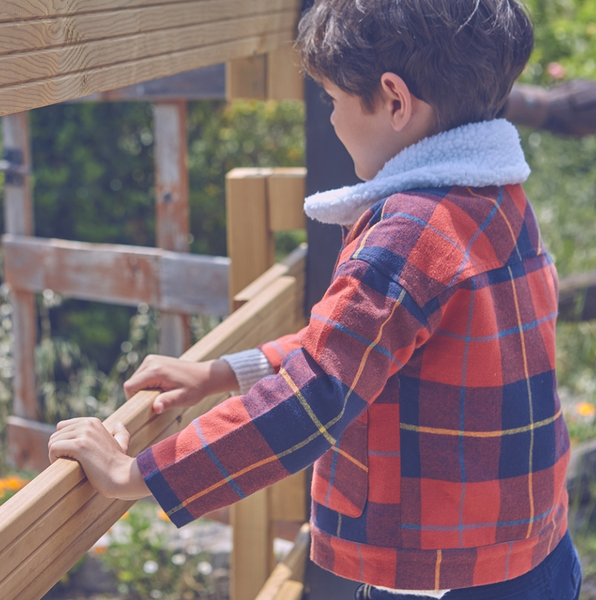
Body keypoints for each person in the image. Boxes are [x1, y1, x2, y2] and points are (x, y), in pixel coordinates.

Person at [48, 1, 582, 598]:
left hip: (439, 571)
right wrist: (224, 372)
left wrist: (136, 473)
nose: (329, 119)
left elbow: (315, 395)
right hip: (537, 547)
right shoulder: (498, 199)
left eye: (331, 99)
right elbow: (364, 347)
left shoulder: (406, 237)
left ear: (394, 100)